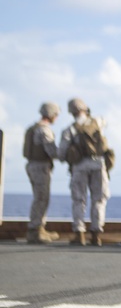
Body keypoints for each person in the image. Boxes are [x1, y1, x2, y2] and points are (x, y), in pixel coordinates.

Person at [58, 98, 112, 246]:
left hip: (79, 166)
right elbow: (105, 124)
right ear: (85, 109)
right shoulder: (98, 122)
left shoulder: (70, 130)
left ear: (71, 112)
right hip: (99, 164)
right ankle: (96, 235)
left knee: (79, 200)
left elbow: (61, 154)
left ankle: (79, 234)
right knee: (99, 200)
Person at [23, 102, 62, 244]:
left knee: (39, 197)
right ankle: (35, 230)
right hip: (41, 167)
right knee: (41, 198)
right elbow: (52, 151)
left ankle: (39, 229)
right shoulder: (44, 130)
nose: (56, 118)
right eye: (56, 115)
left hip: (33, 165)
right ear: (51, 114)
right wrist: (66, 154)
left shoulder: (33, 128)